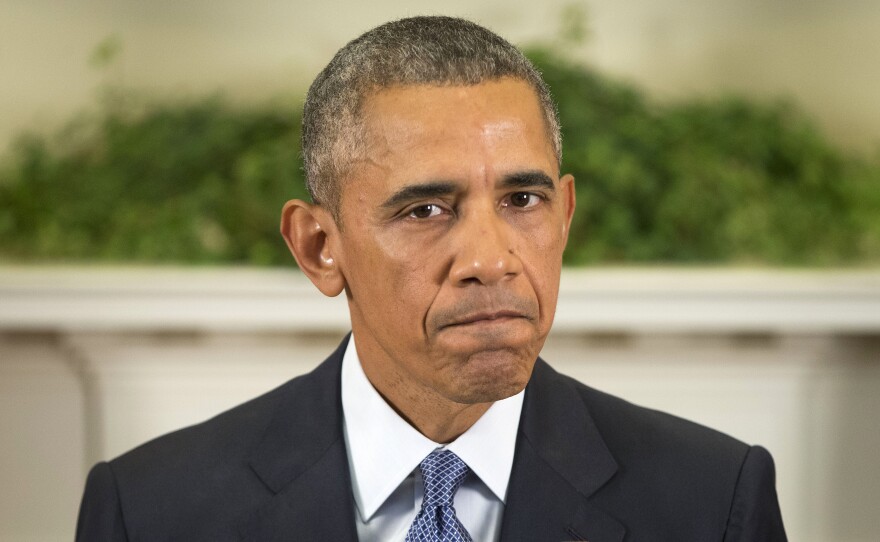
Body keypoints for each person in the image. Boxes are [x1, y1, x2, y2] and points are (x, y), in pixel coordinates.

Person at [76, 16, 787, 542]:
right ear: (320, 247)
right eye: (425, 209)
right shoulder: (150, 511)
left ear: (565, 216)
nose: (491, 258)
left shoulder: (712, 500)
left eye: (522, 200)